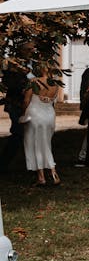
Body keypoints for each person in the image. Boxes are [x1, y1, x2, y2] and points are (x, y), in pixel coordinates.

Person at [21, 64, 61, 185]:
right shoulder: (55, 84)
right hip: (49, 116)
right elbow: (53, 101)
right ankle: (53, 172)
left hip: (35, 115)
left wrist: (23, 113)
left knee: (34, 144)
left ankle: (41, 177)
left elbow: (26, 101)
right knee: (46, 144)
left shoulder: (33, 82)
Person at [1, 42, 35, 171]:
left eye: (33, 49)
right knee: (18, 133)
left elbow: (34, 80)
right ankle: (3, 164)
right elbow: (8, 83)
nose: (31, 51)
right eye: (28, 49)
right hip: (16, 104)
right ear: (22, 50)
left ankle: (30, 164)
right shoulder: (13, 64)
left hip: (30, 104)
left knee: (28, 134)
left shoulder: (33, 64)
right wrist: (23, 86)